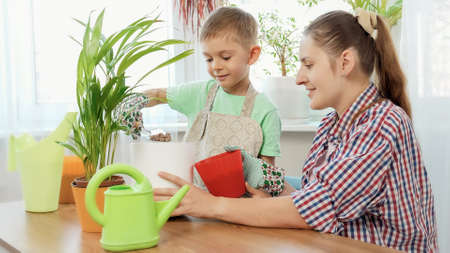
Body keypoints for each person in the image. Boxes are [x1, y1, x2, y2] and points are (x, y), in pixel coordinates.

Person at [154, 9, 438, 252]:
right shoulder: (331, 125)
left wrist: (210, 205)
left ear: (345, 63)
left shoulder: (383, 123)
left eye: (308, 65)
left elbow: (314, 208)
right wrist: (271, 186)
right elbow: (313, 193)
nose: (299, 78)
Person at [115, 7, 286, 196]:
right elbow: (156, 94)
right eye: (208, 59)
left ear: (252, 55)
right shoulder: (200, 93)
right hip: (190, 203)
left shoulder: (266, 112)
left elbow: (267, 179)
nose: (216, 67)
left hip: (238, 210)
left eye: (225, 57)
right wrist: (130, 104)